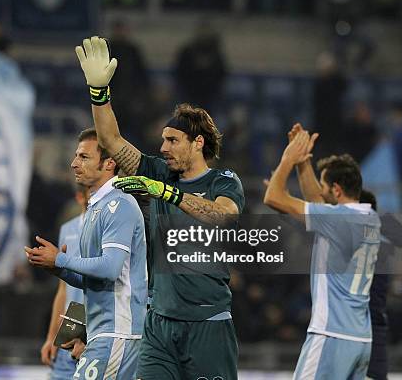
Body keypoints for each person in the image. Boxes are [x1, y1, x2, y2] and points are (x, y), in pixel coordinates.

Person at [75, 36, 245, 379]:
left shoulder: (223, 180)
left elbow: (223, 216)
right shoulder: (160, 172)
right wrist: (99, 93)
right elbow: (111, 141)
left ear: (197, 143)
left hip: (208, 322)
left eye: (172, 140)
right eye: (163, 139)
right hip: (160, 324)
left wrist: (170, 194)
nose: (162, 146)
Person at [25, 128, 147, 379]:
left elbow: (111, 268)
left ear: (109, 163)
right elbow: (95, 280)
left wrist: (61, 259)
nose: (74, 163)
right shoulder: (95, 208)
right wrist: (58, 269)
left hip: (117, 330)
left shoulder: (118, 204)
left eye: (84, 157)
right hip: (99, 330)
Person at [264, 128, 381, 380]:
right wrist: (305, 161)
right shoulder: (369, 218)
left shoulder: (336, 219)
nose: (321, 191)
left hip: (331, 335)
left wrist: (289, 159)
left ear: (337, 190)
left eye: (325, 186)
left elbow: (273, 197)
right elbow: (319, 200)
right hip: (360, 339)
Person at [40, 185, 88, 378]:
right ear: (79, 197)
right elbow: (63, 289)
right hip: (67, 330)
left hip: (95, 330)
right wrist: (51, 337)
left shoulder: (110, 229)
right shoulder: (68, 229)